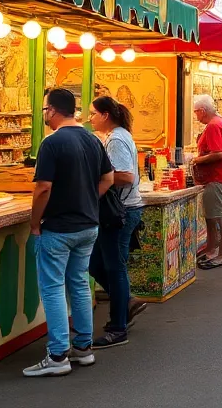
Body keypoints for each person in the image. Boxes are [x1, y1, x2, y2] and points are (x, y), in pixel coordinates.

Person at [25, 88, 114, 376]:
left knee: (52, 289)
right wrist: (87, 199)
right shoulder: (93, 139)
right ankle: (84, 348)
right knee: (78, 284)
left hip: (59, 227)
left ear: (51, 111)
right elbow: (108, 178)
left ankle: (58, 354)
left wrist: (35, 222)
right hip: (88, 225)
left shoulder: (51, 143)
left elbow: (43, 188)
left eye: (44, 111)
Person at [86, 96, 144, 349]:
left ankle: (118, 327)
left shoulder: (117, 139)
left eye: (93, 113)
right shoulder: (118, 137)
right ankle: (126, 303)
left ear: (105, 115)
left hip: (119, 211)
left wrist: (94, 178)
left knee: (113, 267)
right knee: (97, 263)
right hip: (123, 209)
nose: (90, 118)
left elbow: (125, 176)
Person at [192, 94, 222, 270]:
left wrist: (197, 160)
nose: (196, 116)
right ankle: (211, 251)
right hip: (215, 178)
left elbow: (218, 153)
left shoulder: (213, 126)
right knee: (212, 216)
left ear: (202, 111)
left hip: (216, 178)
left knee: (218, 216)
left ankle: (221, 255)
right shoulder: (218, 123)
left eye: (196, 112)